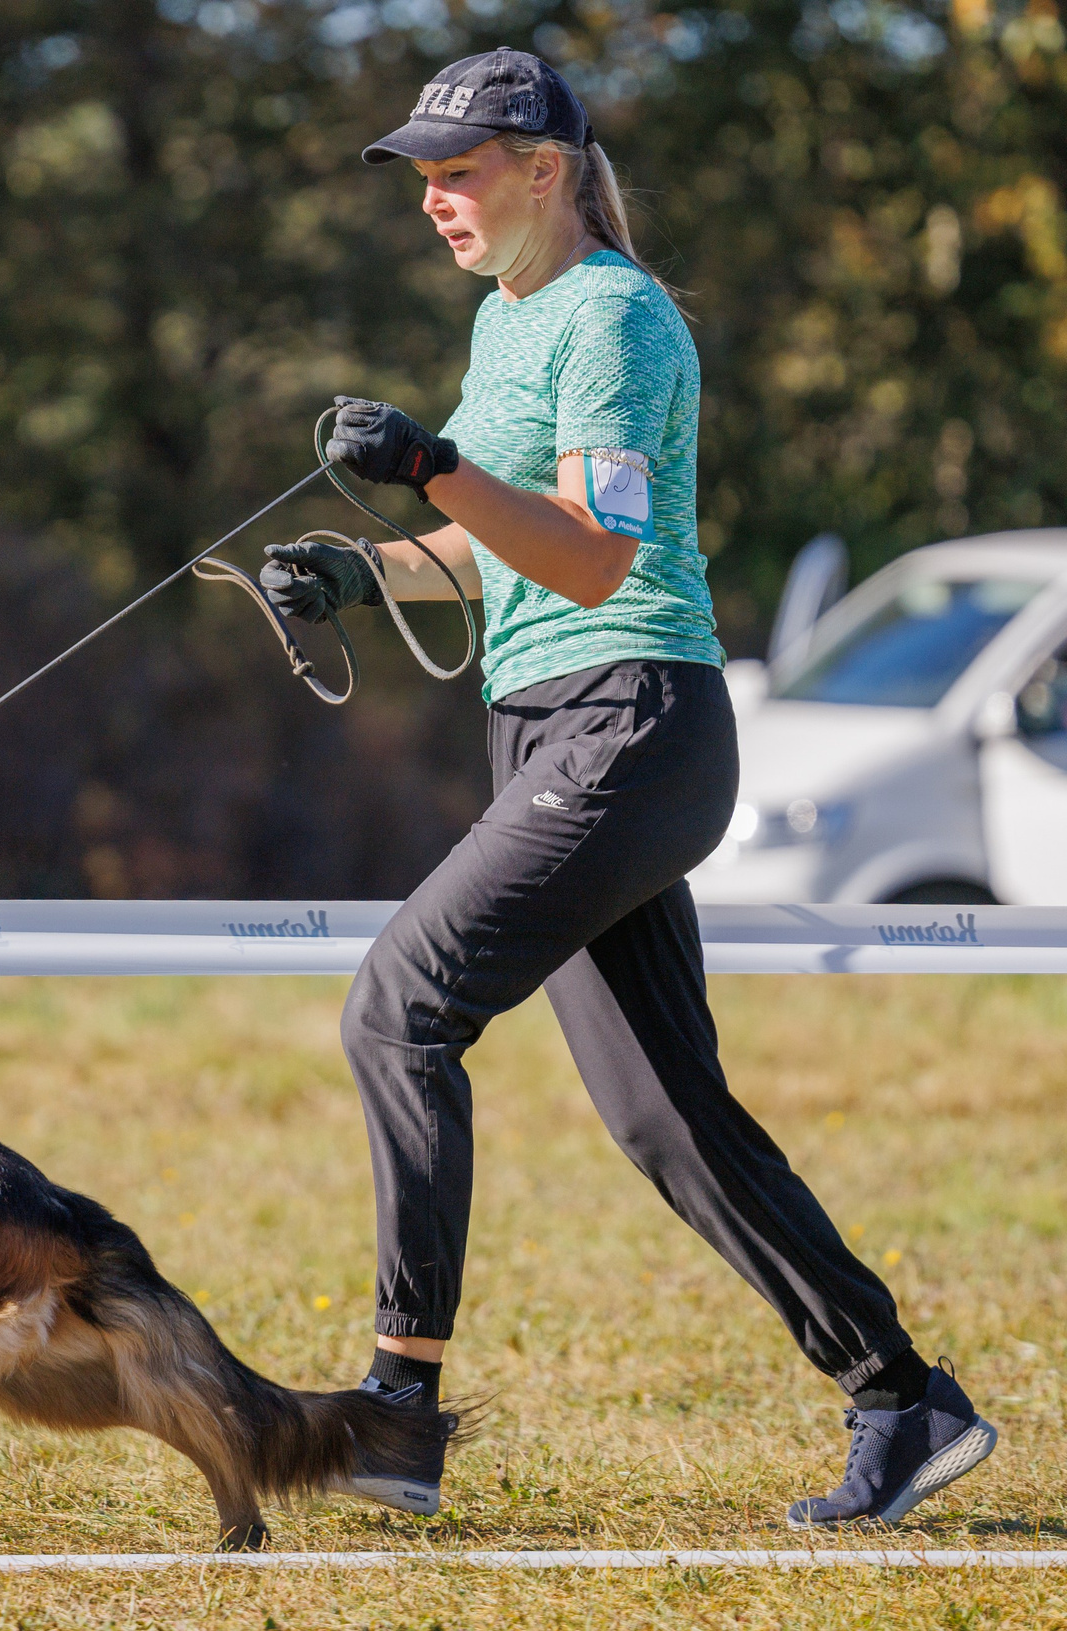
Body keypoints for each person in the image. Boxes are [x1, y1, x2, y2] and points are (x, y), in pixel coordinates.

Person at [263, 47, 1000, 1527]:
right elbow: (501, 539)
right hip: (544, 726)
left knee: (399, 1009)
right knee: (669, 1117)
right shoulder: (509, 321)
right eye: (423, 182)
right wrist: (361, 569)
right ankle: (904, 1402)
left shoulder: (617, 319)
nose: (437, 203)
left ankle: (398, 1406)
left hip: (634, 726)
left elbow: (600, 559)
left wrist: (429, 464)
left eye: (459, 174)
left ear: (546, 170)